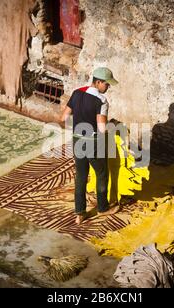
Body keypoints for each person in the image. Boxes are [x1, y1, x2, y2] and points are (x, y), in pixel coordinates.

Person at [61, 67, 120, 225]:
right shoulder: (101, 101)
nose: (108, 87)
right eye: (107, 84)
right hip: (93, 142)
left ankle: (79, 213)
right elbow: (101, 128)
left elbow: (64, 116)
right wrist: (113, 126)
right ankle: (102, 208)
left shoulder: (76, 92)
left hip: (77, 139)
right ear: (98, 82)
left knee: (81, 176)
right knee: (101, 174)